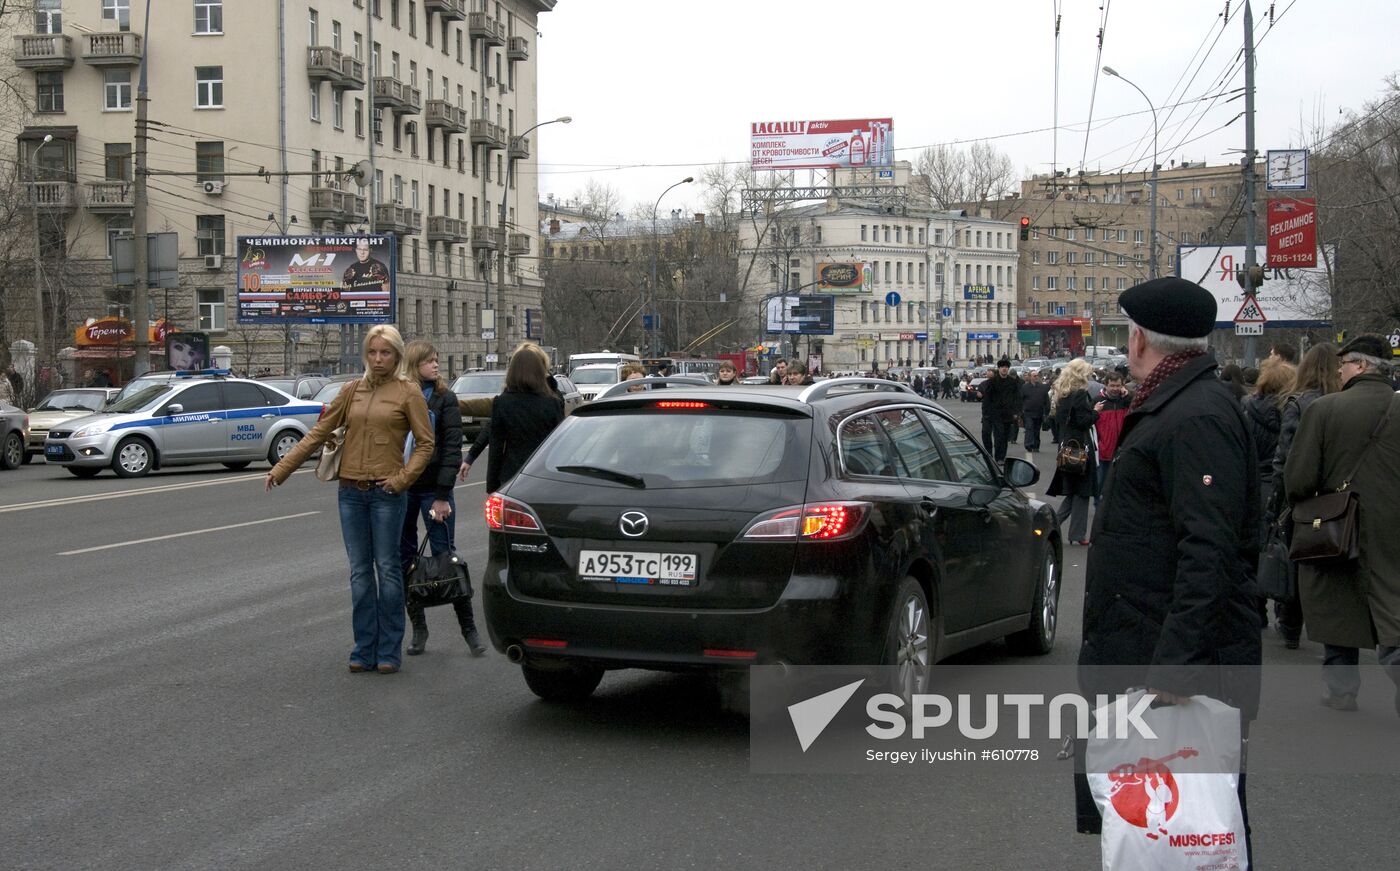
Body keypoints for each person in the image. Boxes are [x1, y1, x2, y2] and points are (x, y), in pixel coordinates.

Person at [1076, 277, 1261, 858]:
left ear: (1138, 340)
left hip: (1174, 665)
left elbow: (1210, 550)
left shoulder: (1194, 415)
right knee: (1160, 832)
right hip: (1152, 649)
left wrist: (1176, 667)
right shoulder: (1178, 403)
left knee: (1196, 832)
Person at [265, 325, 434, 675]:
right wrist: (282, 468)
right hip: (351, 492)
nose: (378, 359)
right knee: (359, 573)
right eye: (372, 352)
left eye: (385, 352)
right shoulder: (351, 390)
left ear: (397, 356)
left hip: (387, 494)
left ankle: (389, 651)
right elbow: (318, 432)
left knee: (387, 570)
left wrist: (402, 479)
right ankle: (364, 648)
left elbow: (425, 443)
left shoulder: (409, 392)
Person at [1284, 336, 1400, 714]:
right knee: (1392, 601)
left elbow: (1299, 479)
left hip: (1338, 522)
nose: (1339, 371)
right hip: (1393, 527)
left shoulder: (1325, 409)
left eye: (1345, 363)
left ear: (1361, 365)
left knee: (1337, 603)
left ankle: (1341, 689)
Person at [399, 341, 484, 658]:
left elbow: (451, 448)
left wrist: (442, 496)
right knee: (405, 561)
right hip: (403, 488)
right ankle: (419, 629)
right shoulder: (400, 395)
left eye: (436, 360)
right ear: (414, 364)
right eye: (429, 361)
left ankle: (469, 630)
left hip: (434, 491)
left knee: (447, 559)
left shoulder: (445, 398)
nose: (436, 365)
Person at [1267, 343, 1340, 648]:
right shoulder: (1343, 401)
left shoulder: (1297, 403)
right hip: (1337, 495)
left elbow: (1285, 456)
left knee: (1296, 557)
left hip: (1302, 494)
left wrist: (1278, 500)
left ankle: (1291, 624)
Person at [485, 342, 566, 494]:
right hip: (543, 475)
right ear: (540, 371)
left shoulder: (502, 403)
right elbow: (559, 445)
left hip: (511, 476)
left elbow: (496, 448)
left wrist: (492, 487)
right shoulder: (552, 403)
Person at [1046, 359, 1097, 545]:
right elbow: (1083, 421)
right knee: (1082, 491)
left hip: (1066, 445)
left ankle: (1050, 525)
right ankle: (1077, 534)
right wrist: (1096, 412)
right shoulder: (1080, 394)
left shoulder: (1061, 393)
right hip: (1080, 447)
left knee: (1072, 491)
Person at [1090, 371, 1132, 506]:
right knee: (1100, 483)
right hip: (1103, 450)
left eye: (1118, 386)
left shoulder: (1126, 400)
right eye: (1112, 386)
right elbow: (1090, 423)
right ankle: (1098, 506)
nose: (1115, 389)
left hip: (1122, 450)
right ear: (1106, 385)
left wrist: (1128, 396)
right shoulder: (1097, 401)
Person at [980, 358, 1021, 463]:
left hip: (1007, 414)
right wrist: (985, 413)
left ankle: (1001, 457)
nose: (1004, 369)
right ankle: (994, 456)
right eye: (1002, 367)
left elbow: (1017, 398)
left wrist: (1016, 412)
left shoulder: (1012, 382)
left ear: (1008, 369)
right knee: (997, 435)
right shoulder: (992, 382)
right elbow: (987, 398)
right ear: (999, 369)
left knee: (1004, 437)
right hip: (995, 413)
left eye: (1006, 367)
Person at [1020, 370, 1051, 454]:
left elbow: (1046, 400)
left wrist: (1047, 412)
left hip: (1039, 412)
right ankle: (1029, 444)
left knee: (1036, 430)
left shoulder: (1042, 387)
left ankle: (1036, 446)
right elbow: (1021, 399)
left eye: (1037, 375)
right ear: (1030, 377)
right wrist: (1021, 411)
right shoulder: (1025, 387)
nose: (1036, 377)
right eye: (1034, 376)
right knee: (1029, 428)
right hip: (1028, 413)